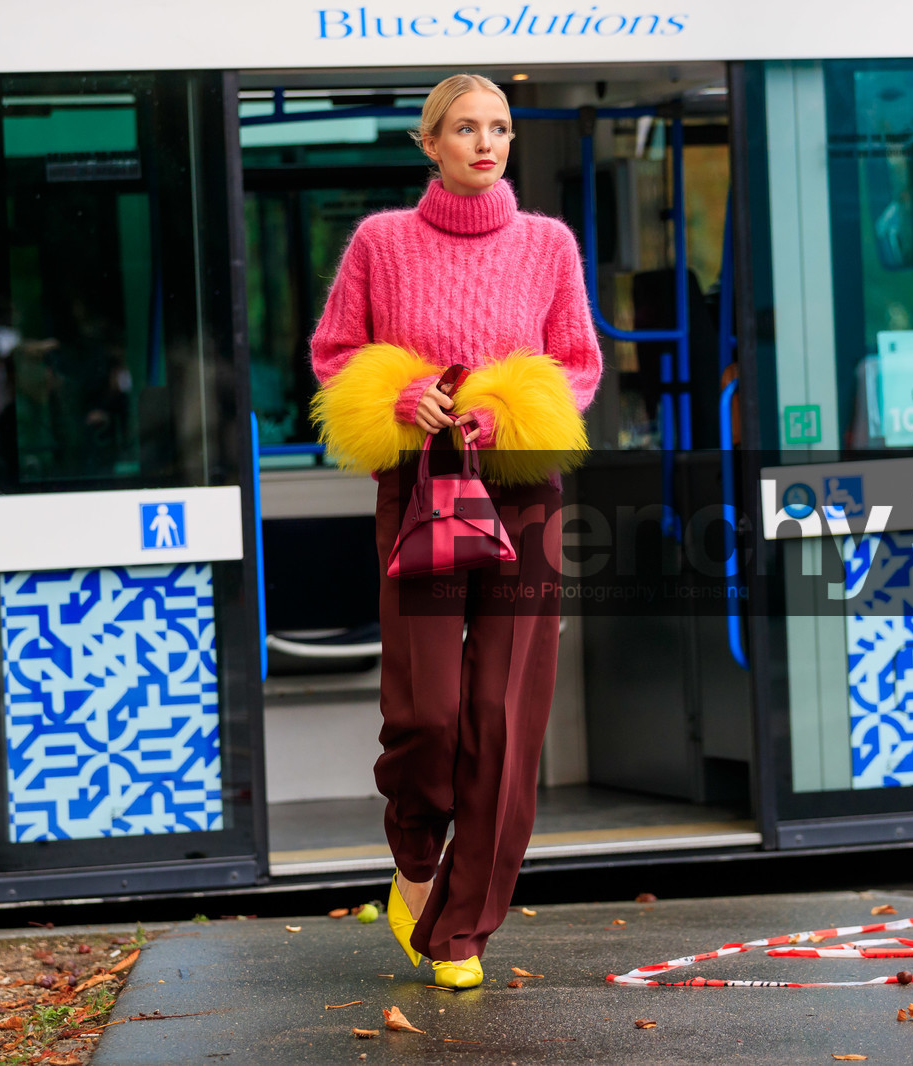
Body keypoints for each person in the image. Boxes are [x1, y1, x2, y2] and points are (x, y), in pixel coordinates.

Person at [309, 74, 601, 989]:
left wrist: (508, 416)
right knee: (428, 714)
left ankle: (463, 929)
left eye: (501, 128)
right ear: (428, 143)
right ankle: (414, 857)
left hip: (522, 489)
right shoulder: (380, 243)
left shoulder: (549, 245)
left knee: (504, 717)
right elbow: (332, 354)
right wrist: (401, 398)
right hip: (419, 485)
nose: (487, 143)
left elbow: (580, 366)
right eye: (466, 128)